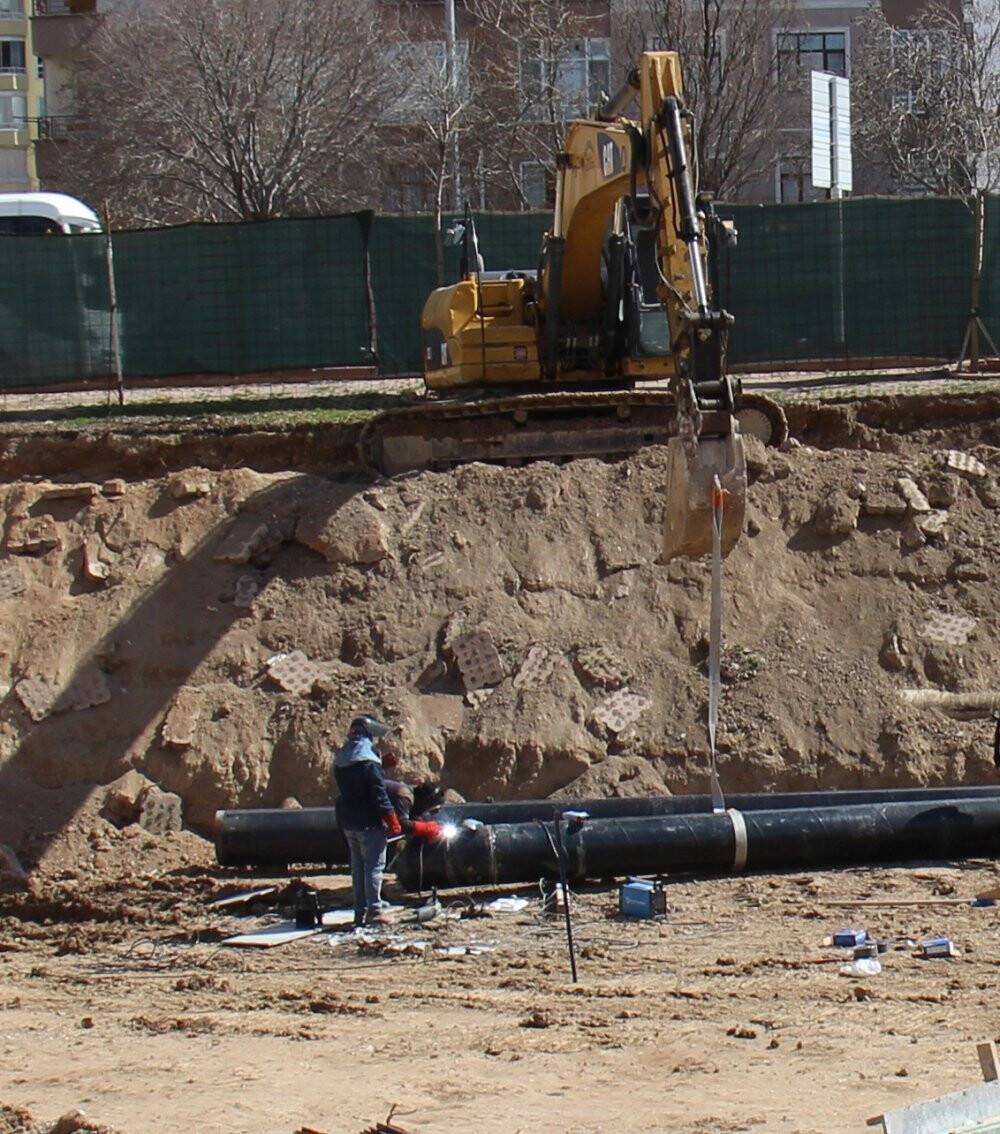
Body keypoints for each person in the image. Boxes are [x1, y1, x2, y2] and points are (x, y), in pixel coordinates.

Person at [333, 714, 443, 927]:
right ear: (368, 735)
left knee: (358, 868)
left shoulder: (343, 760)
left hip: (348, 821)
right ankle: (374, 912)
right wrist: (392, 818)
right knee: (374, 867)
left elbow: (358, 782)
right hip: (369, 822)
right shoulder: (369, 762)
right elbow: (378, 793)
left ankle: (360, 912)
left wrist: (380, 766)